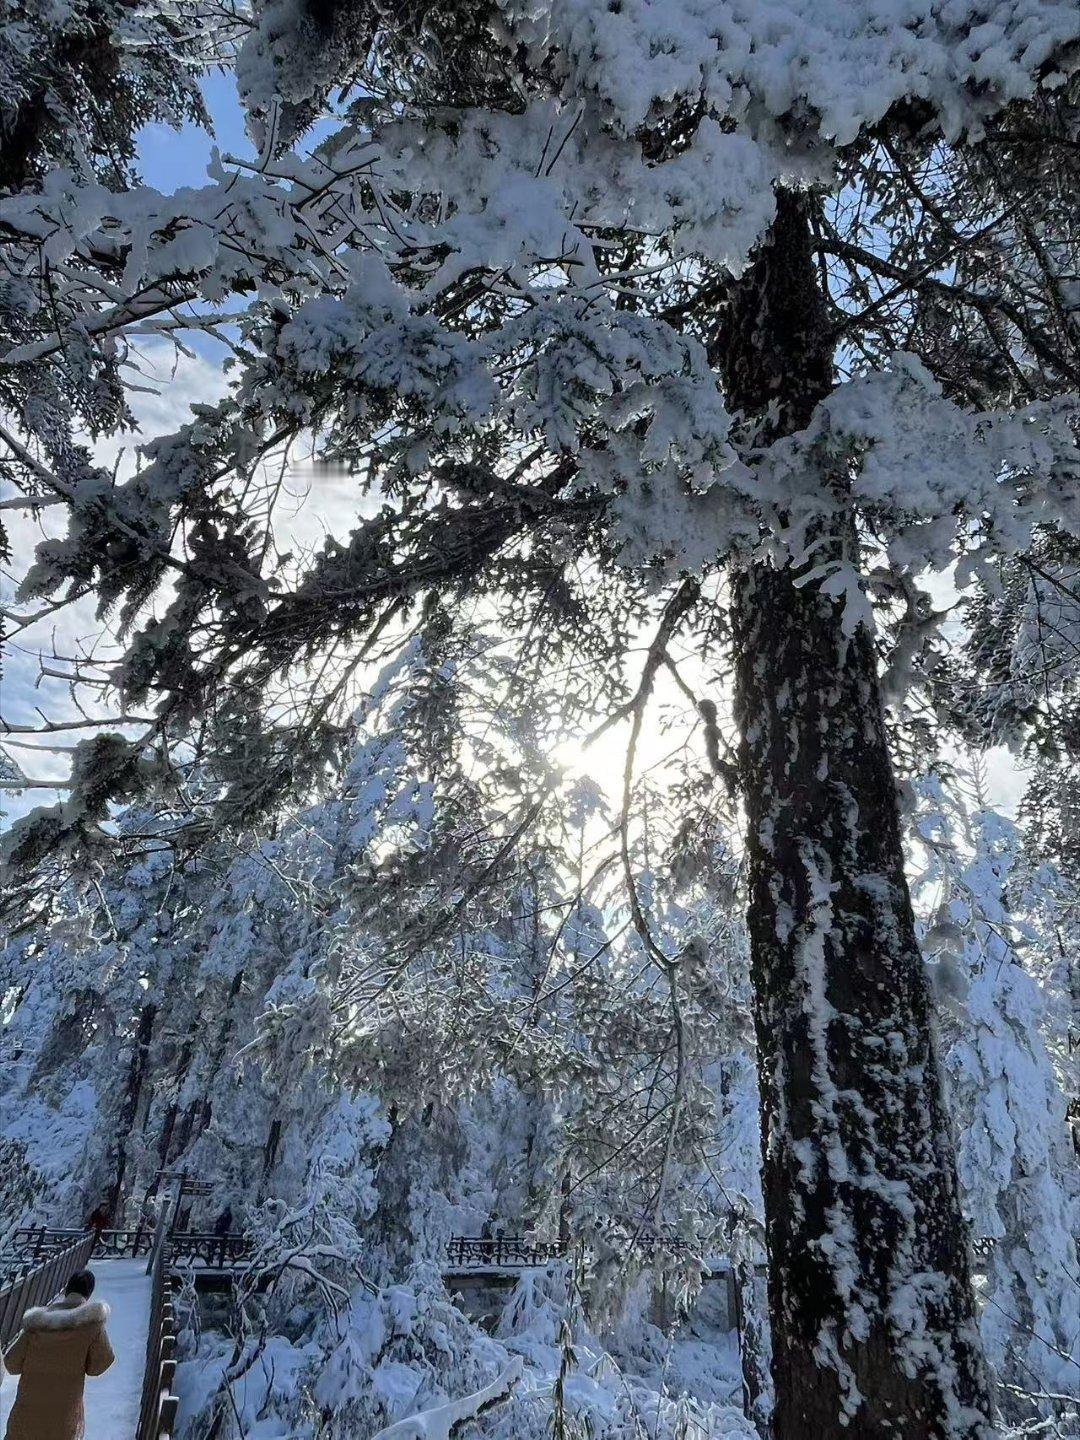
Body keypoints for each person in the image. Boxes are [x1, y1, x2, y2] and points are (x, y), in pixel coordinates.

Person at [2, 1269, 115, 1440]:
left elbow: (11, 1364)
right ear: (89, 1294)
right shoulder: (92, 1325)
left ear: (66, 1290)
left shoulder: (37, 1324)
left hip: (28, 1412)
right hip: (64, 1415)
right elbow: (99, 1365)